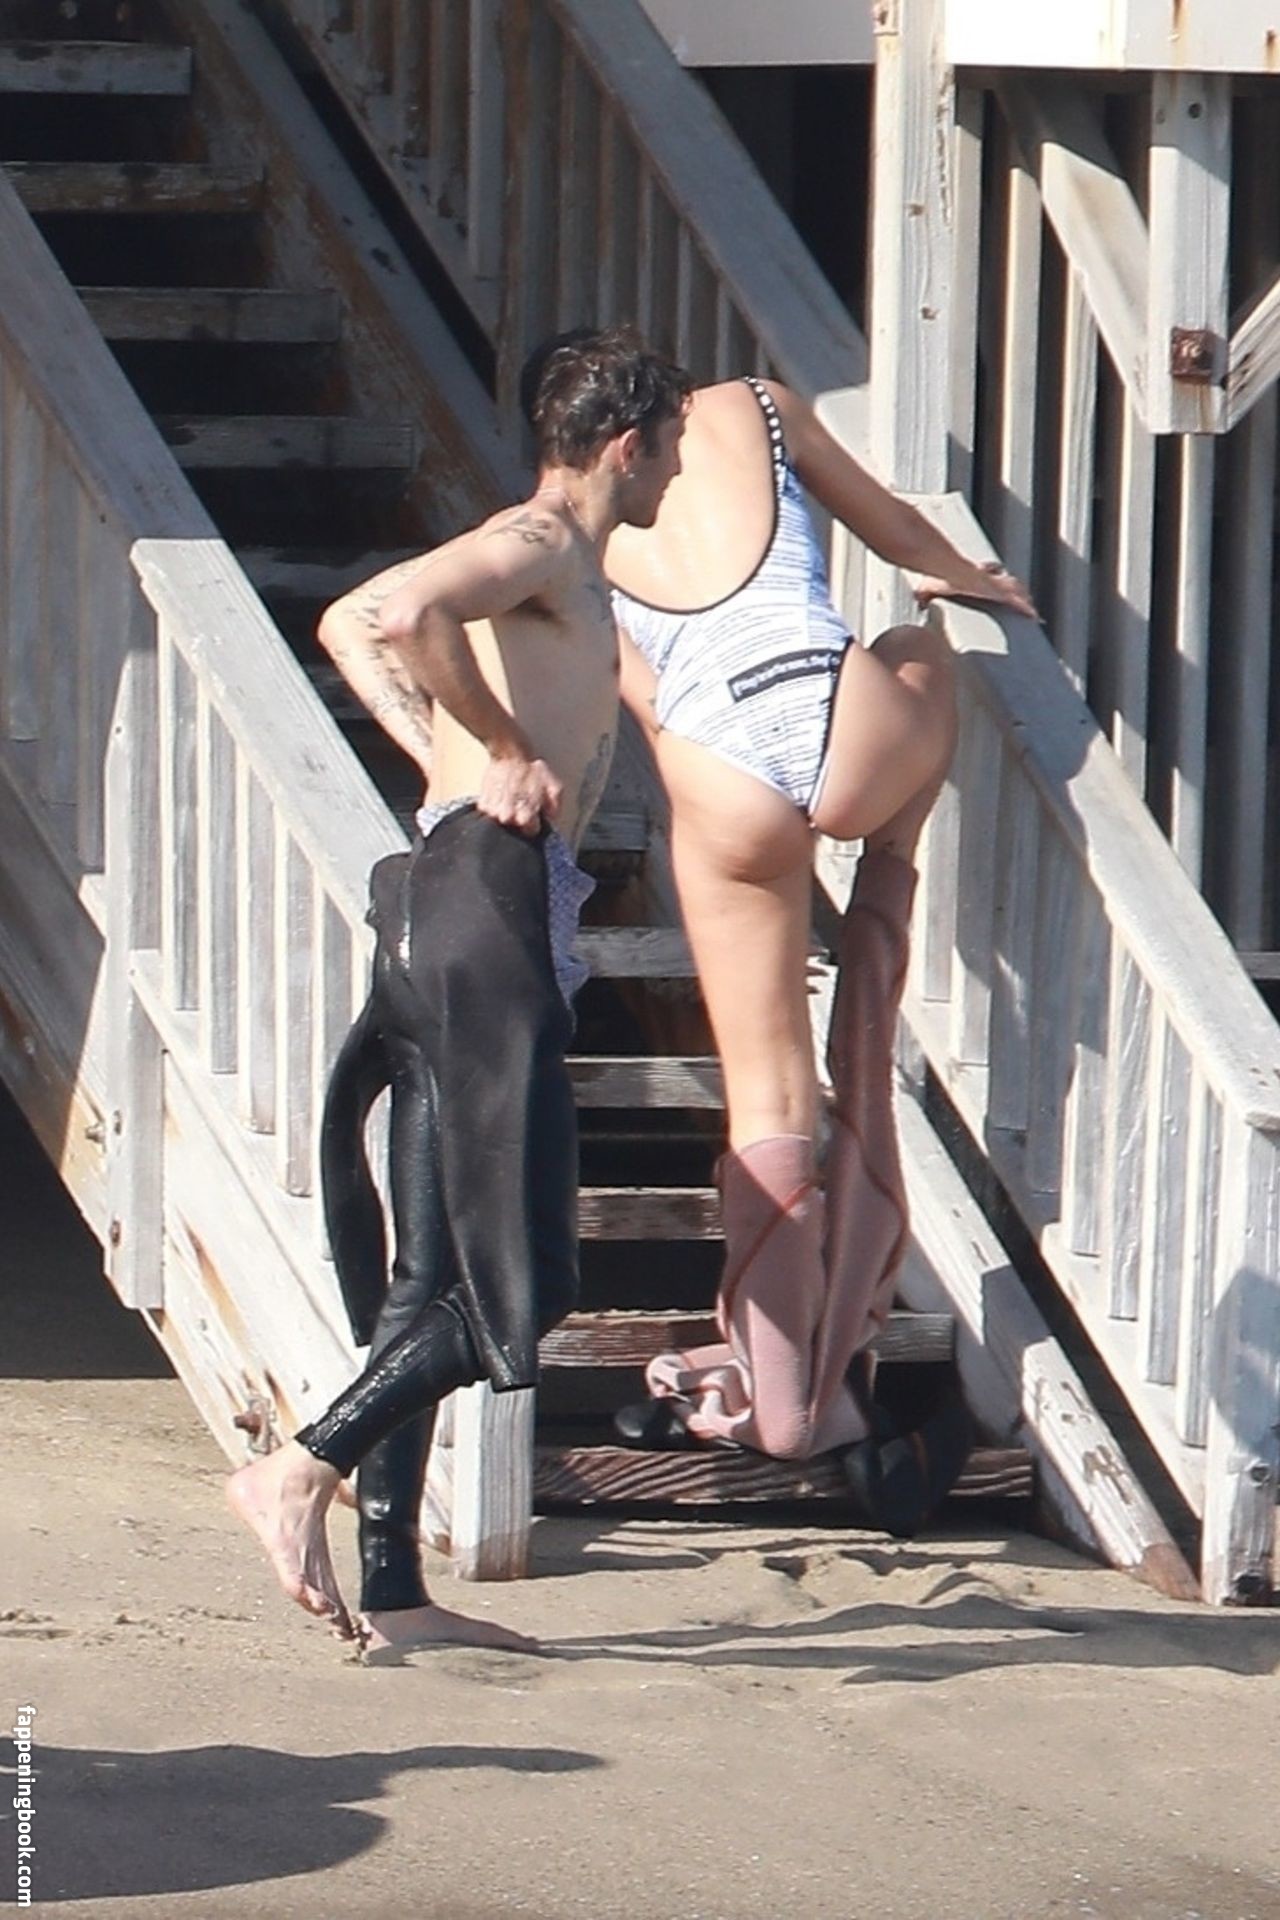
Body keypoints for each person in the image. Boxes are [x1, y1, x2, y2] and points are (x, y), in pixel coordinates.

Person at [227, 328, 691, 1655]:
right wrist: (495, 745)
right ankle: (299, 1468)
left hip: (460, 896)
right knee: (527, 1279)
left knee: (432, 1274)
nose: (673, 475)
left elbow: (344, 620)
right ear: (625, 446)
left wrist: (457, 759)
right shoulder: (540, 541)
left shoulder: (556, 562)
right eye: (668, 450)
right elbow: (405, 613)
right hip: (483, 909)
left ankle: (393, 1593)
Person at [598, 365, 1036, 1530]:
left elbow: (643, 698)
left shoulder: (572, 516)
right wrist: (972, 583)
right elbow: (898, 532)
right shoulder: (756, 403)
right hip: (846, 728)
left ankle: (783, 1397)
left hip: (718, 757)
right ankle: (889, 861)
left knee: (765, 1099)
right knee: (912, 639)